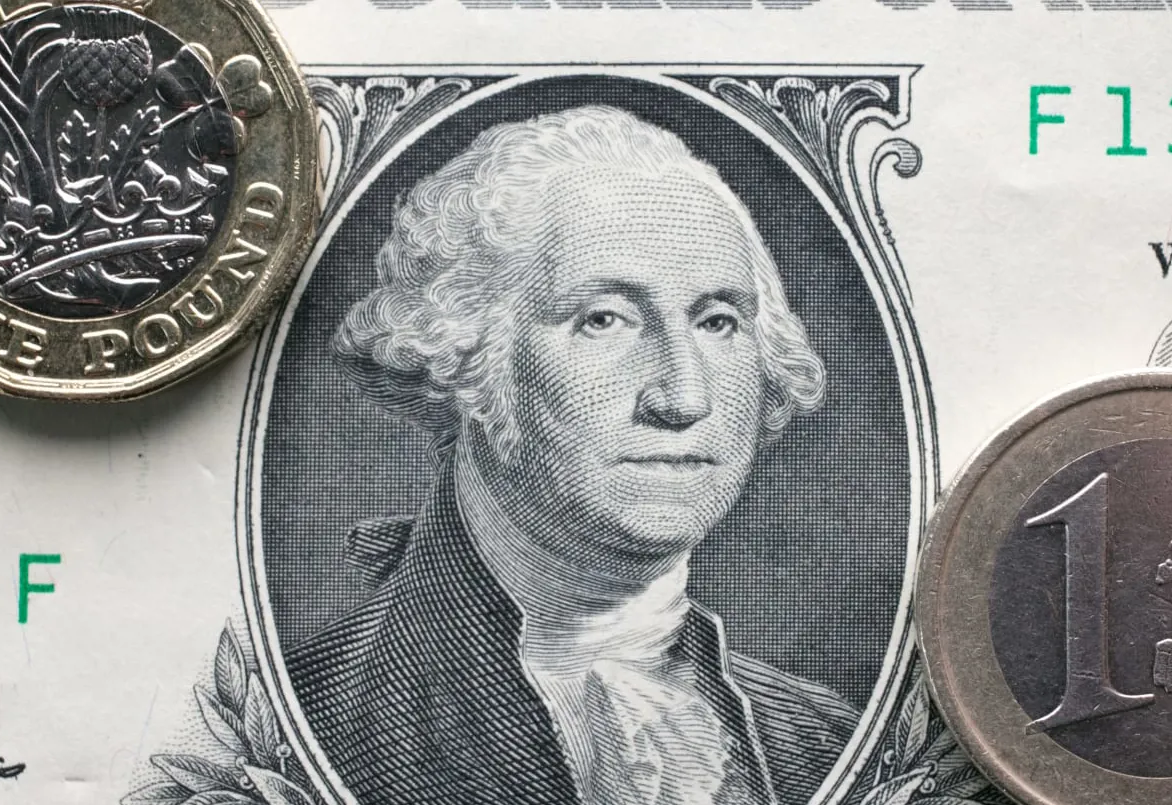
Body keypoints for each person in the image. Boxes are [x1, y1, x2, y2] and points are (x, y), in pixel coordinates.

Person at [286, 105, 857, 805]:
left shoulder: (822, 739)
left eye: (717, 321)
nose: (683, 397)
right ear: (465, 354)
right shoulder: (301, 721)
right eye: (604, 319)